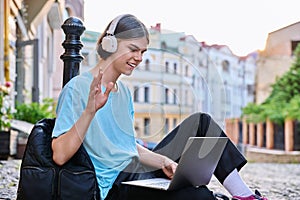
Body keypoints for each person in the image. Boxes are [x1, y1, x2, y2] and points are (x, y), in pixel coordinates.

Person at [51, 14, 268, 200]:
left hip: (135, 171)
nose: (139, 58)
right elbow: (59, 155)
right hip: (113, 187)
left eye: (143, 52)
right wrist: (90, 110)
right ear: (111, 44)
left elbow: (128, 147)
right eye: (133, 49)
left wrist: (165, 160)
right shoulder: (77, 88)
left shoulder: (123, 92)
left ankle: (243, 195)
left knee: (202, 123)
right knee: (199, 194)